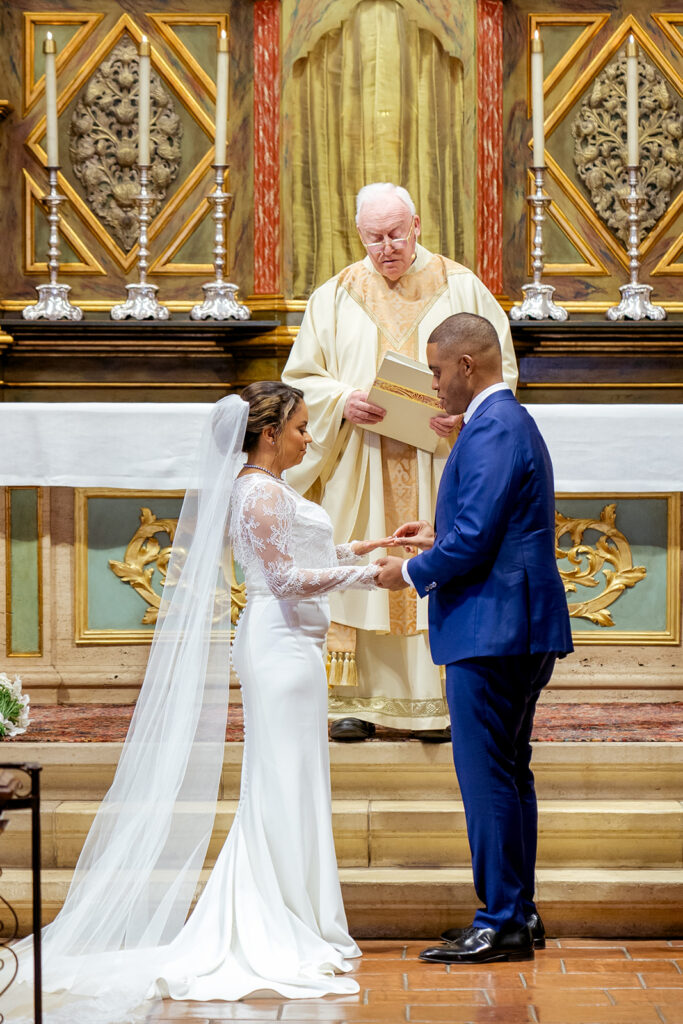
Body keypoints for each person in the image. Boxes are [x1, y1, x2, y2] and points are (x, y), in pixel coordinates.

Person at [7, 383, 392, 1023]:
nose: (308, 437)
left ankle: (299, 913)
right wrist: (371, 576)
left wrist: (374, 548)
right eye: (301, 427)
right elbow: (285, 580)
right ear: (269, 432)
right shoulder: (258, 492)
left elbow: (304, 556)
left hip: (294, 645)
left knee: (294, 782)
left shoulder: (266, 491)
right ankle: (272, 919)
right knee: (280, 783)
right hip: (280, 648)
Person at [283, 182, 518, 742]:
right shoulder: (335, 295)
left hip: (442, 460)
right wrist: (343, 400)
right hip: (360, 457)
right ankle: (355, 703)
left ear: (416, 226)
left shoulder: (463, 287)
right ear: (359, 234)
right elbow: (300, 380)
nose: (385, 247)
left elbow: (500, 368)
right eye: (372, 238)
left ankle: (436, 705)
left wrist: (464, 417)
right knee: (362, 564)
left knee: (441, 562)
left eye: (394, 234)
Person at [376, 313, 573, 964]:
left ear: (466, 366)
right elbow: (491, 528)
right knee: (509, 774)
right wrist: (434, 539)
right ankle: (517, 911)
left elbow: (477, 539)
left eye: (435, 371)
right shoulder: (504, 423)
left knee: (487, 776)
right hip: (511, 622)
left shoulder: (492, 426)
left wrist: (406, 572)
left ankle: (500, 921)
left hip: (493, 628)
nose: (431, 384)